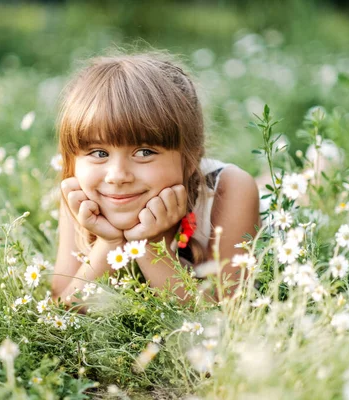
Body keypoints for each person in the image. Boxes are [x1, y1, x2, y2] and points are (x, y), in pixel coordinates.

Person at [52, 51, 259, 305]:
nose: (117, 176)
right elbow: (60, 309)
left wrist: (149, 245)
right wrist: (109, 243)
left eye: (144, 152)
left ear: (190, 157)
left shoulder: (229, 189)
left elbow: (227, 317)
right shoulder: (82, 195)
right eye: (98, 153)